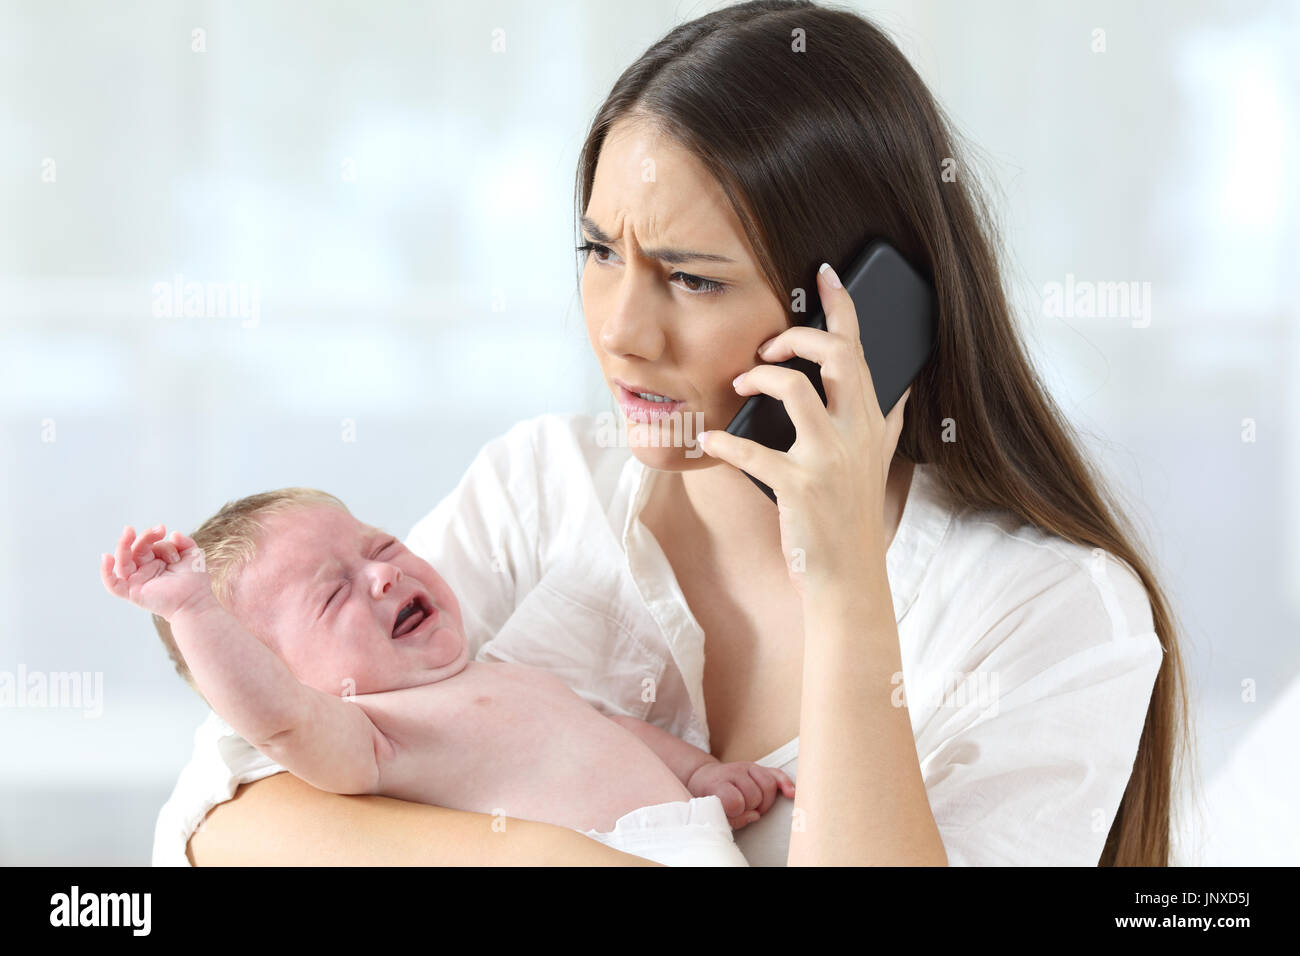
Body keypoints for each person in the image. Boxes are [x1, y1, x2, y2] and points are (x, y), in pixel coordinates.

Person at [169, 0, 1193, 866]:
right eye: (600, 252)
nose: (621, 331)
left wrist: (846, 585)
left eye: (692, 279)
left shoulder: (1049, 611)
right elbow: (217, 821)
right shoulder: (541, 486)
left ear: (869, 307)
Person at [103, 494, 794, 866]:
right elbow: (276, 721)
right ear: (287, 679)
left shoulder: (500, 673)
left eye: (380, 547)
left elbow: (609, 731)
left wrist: (699, 774)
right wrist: (192, 609)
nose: (382, 574)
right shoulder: (371, 735)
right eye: (333, 594)